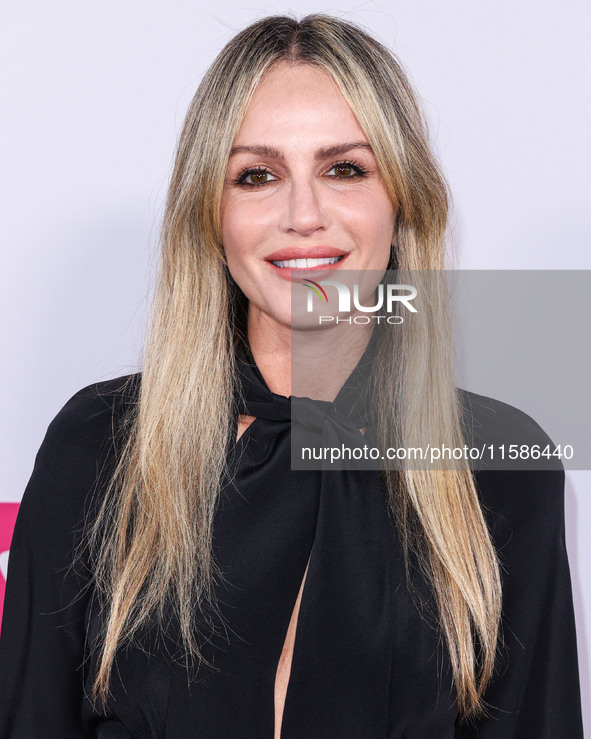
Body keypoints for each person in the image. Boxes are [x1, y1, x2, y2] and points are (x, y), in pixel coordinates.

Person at [0, 13, 583, 739]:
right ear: (210, 216)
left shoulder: (497, 464)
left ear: (401, 203)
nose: (302, 214)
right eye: (257, 175)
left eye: (344, 169)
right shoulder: (100, 444)